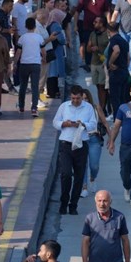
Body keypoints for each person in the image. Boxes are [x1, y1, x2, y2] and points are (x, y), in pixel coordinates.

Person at [52, 85, 98, 215]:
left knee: (79, 176)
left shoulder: (88, 108)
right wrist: (64, 124)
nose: (75, 101)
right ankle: (64, 202)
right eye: (73, 98)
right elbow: (55, 122)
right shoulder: (64, 106)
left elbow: (93, 124)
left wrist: (82, 124)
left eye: (78, 98)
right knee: (66, 174)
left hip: (81, 145)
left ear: (82, 97)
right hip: (66, 144)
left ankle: (73, 205)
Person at [81, 190, 131, 262]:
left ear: (110, 201)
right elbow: (85, 242)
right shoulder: (89, 219)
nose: (102, 204)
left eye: (105, 201)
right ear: (95, 202)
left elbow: (125, 241)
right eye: (99, 201)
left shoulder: (119, 217)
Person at [80, 88, 110, 198]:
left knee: (94, 166)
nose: (85, 101)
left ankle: (92, 178)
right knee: (82, 165)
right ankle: (84, 187)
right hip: (81, 139)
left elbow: (105, 123)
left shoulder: (95, 108)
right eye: (82, 99)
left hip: (94, 139)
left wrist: (111, 140)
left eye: (86, 99)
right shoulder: (77, 109)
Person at [75, 0, 110, 70]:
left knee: (102, 45)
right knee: (88, 45)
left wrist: (109, 24)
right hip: (87, 27)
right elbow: (77, 12)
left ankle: (102, 63)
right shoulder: (83, 0)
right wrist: (75, 24)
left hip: (101, 28)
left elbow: (107, 12)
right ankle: (88, 64)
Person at [88, 14, 111, 110]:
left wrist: (100, 48)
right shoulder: (93, 34)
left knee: (103, 87)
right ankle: (102, 105)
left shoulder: (108, 34)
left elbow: (111, 48)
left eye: (96, 22)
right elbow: (88, 48)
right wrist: (91, 48)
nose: (94, 23)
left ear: (102, 24)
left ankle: (103, 107)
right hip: (94, 63)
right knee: (98, 86)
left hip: (103, 63)